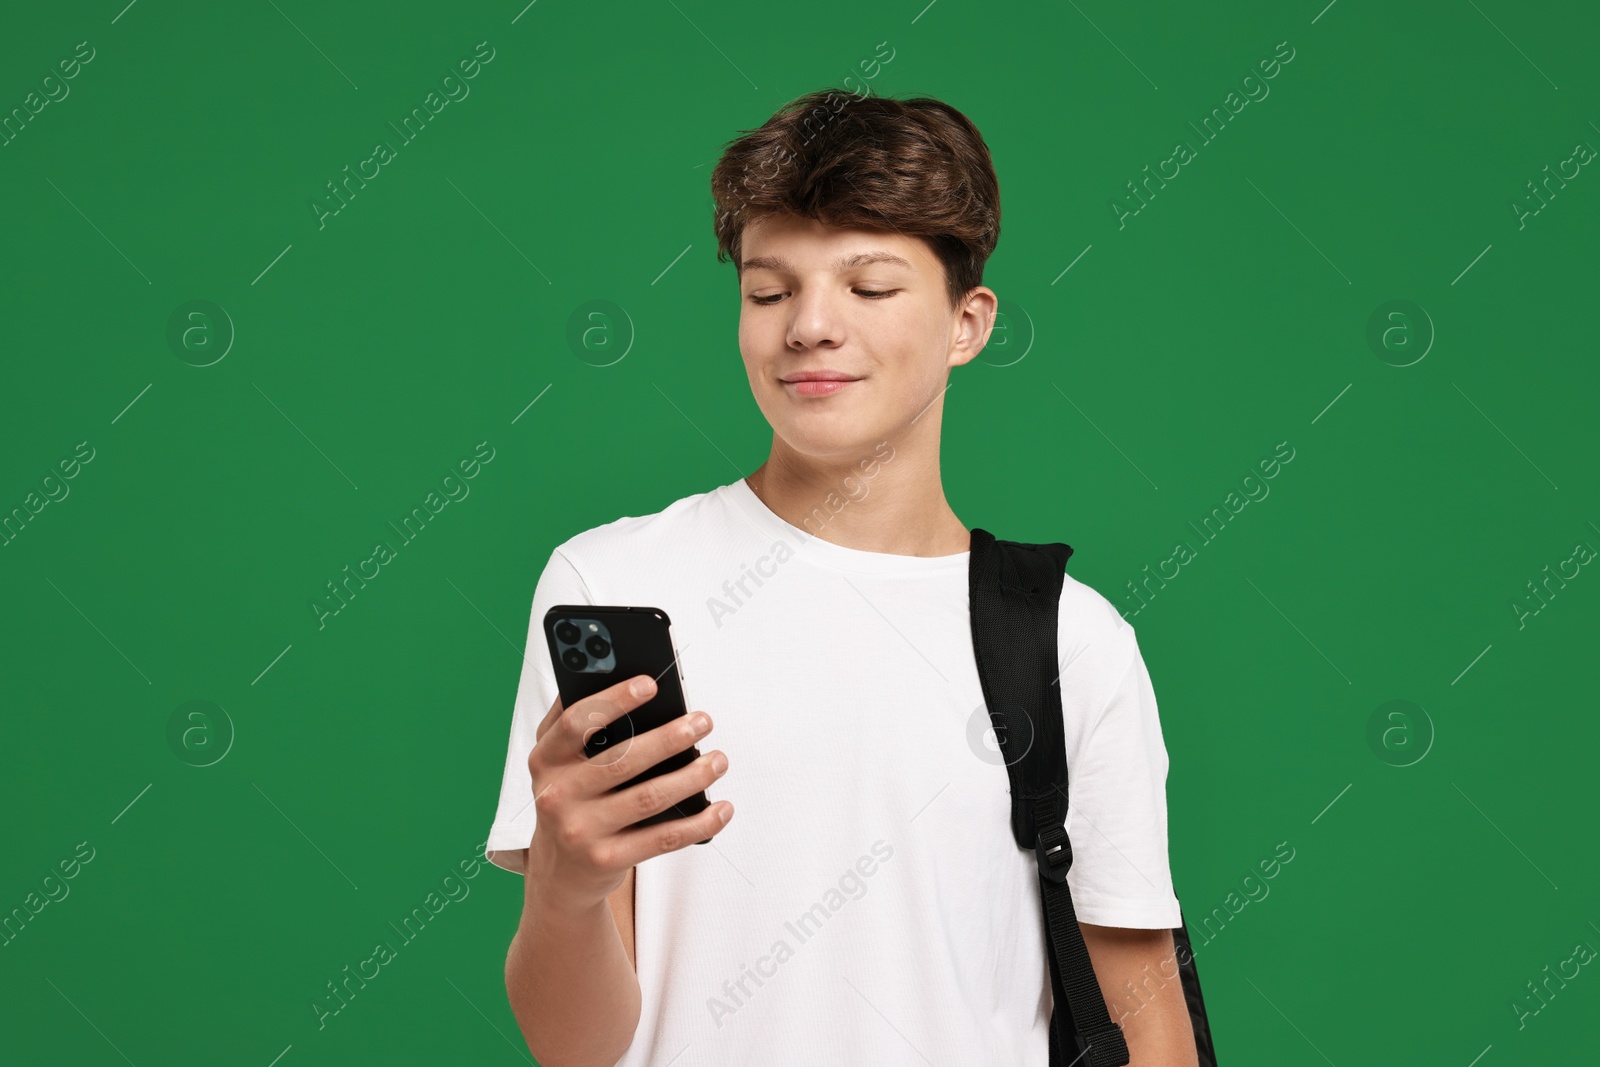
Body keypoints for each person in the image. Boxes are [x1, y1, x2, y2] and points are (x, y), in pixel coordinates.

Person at [486, 88, 1198, 1067]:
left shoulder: (1072, 639)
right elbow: (576, 1046)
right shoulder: (614, 582)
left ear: (967, 322)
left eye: (867, 287)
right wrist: (565, 888)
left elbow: (1148, 1019)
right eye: (769, 291)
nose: (808, 327)